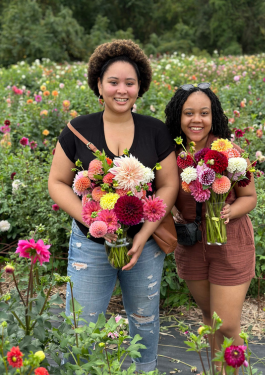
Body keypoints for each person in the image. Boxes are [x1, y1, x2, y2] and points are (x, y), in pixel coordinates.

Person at [48, 39, 178, 373]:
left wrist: (143, 234)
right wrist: (93, 221)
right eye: (114, 82)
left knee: (144, 321)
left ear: (140, 87)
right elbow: (57, 182)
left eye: (130, 83)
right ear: (99, 85)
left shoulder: (155, 130)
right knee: (81, 325)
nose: (122, 90)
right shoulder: (78, 129)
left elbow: (169, 185)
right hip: (90, 246)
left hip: (144, 246)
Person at [165, 83, 257, 373]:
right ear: (177, 117)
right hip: (191, 245)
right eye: (188, 112)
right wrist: (172, 209)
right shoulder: (171, 154)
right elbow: (162, 193)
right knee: (210, 318)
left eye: (204, 113)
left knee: (227, 324)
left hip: (230, 244)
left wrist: (230, 209)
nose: (196, 119)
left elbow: (249, 197)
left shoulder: (228, 151)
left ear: (213, 116)